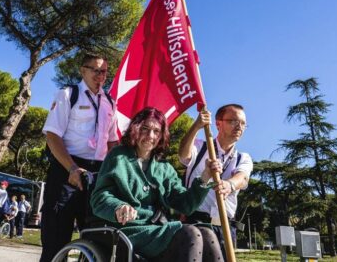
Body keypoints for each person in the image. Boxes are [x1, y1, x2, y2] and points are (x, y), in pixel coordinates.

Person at [91, 107, 224, 261]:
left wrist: (205, 177)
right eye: (145, 129)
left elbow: (186, 205)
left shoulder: (164, 167)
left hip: (157, 229)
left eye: (156, 131)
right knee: (190, 233)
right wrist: (119, 207)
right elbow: (100, 197)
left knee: (207, 233)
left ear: (161, 136)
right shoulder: (118, 156)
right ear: (135, 129)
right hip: (128, 230)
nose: (150, 136)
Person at [39, 53, 119, 262]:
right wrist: (72, 168)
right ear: (83, 70)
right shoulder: (68, 94)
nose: (100, 75)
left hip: (98, 173)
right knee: (56, 240)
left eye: (104, 71)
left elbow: (112, 142)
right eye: (95, 70)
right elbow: (52, 135)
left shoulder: (110, 102)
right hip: (67, 169)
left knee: (97, 241)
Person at [179, 105, 253, 260]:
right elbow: (183, 154)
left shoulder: (243, 158)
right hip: (195, 222)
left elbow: (242, 177)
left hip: (225, 227)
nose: (239, 126)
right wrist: (196, 126)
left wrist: (229, 184)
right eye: (233, 121)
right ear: (218, 123)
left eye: (243, 123)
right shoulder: (200, 146)